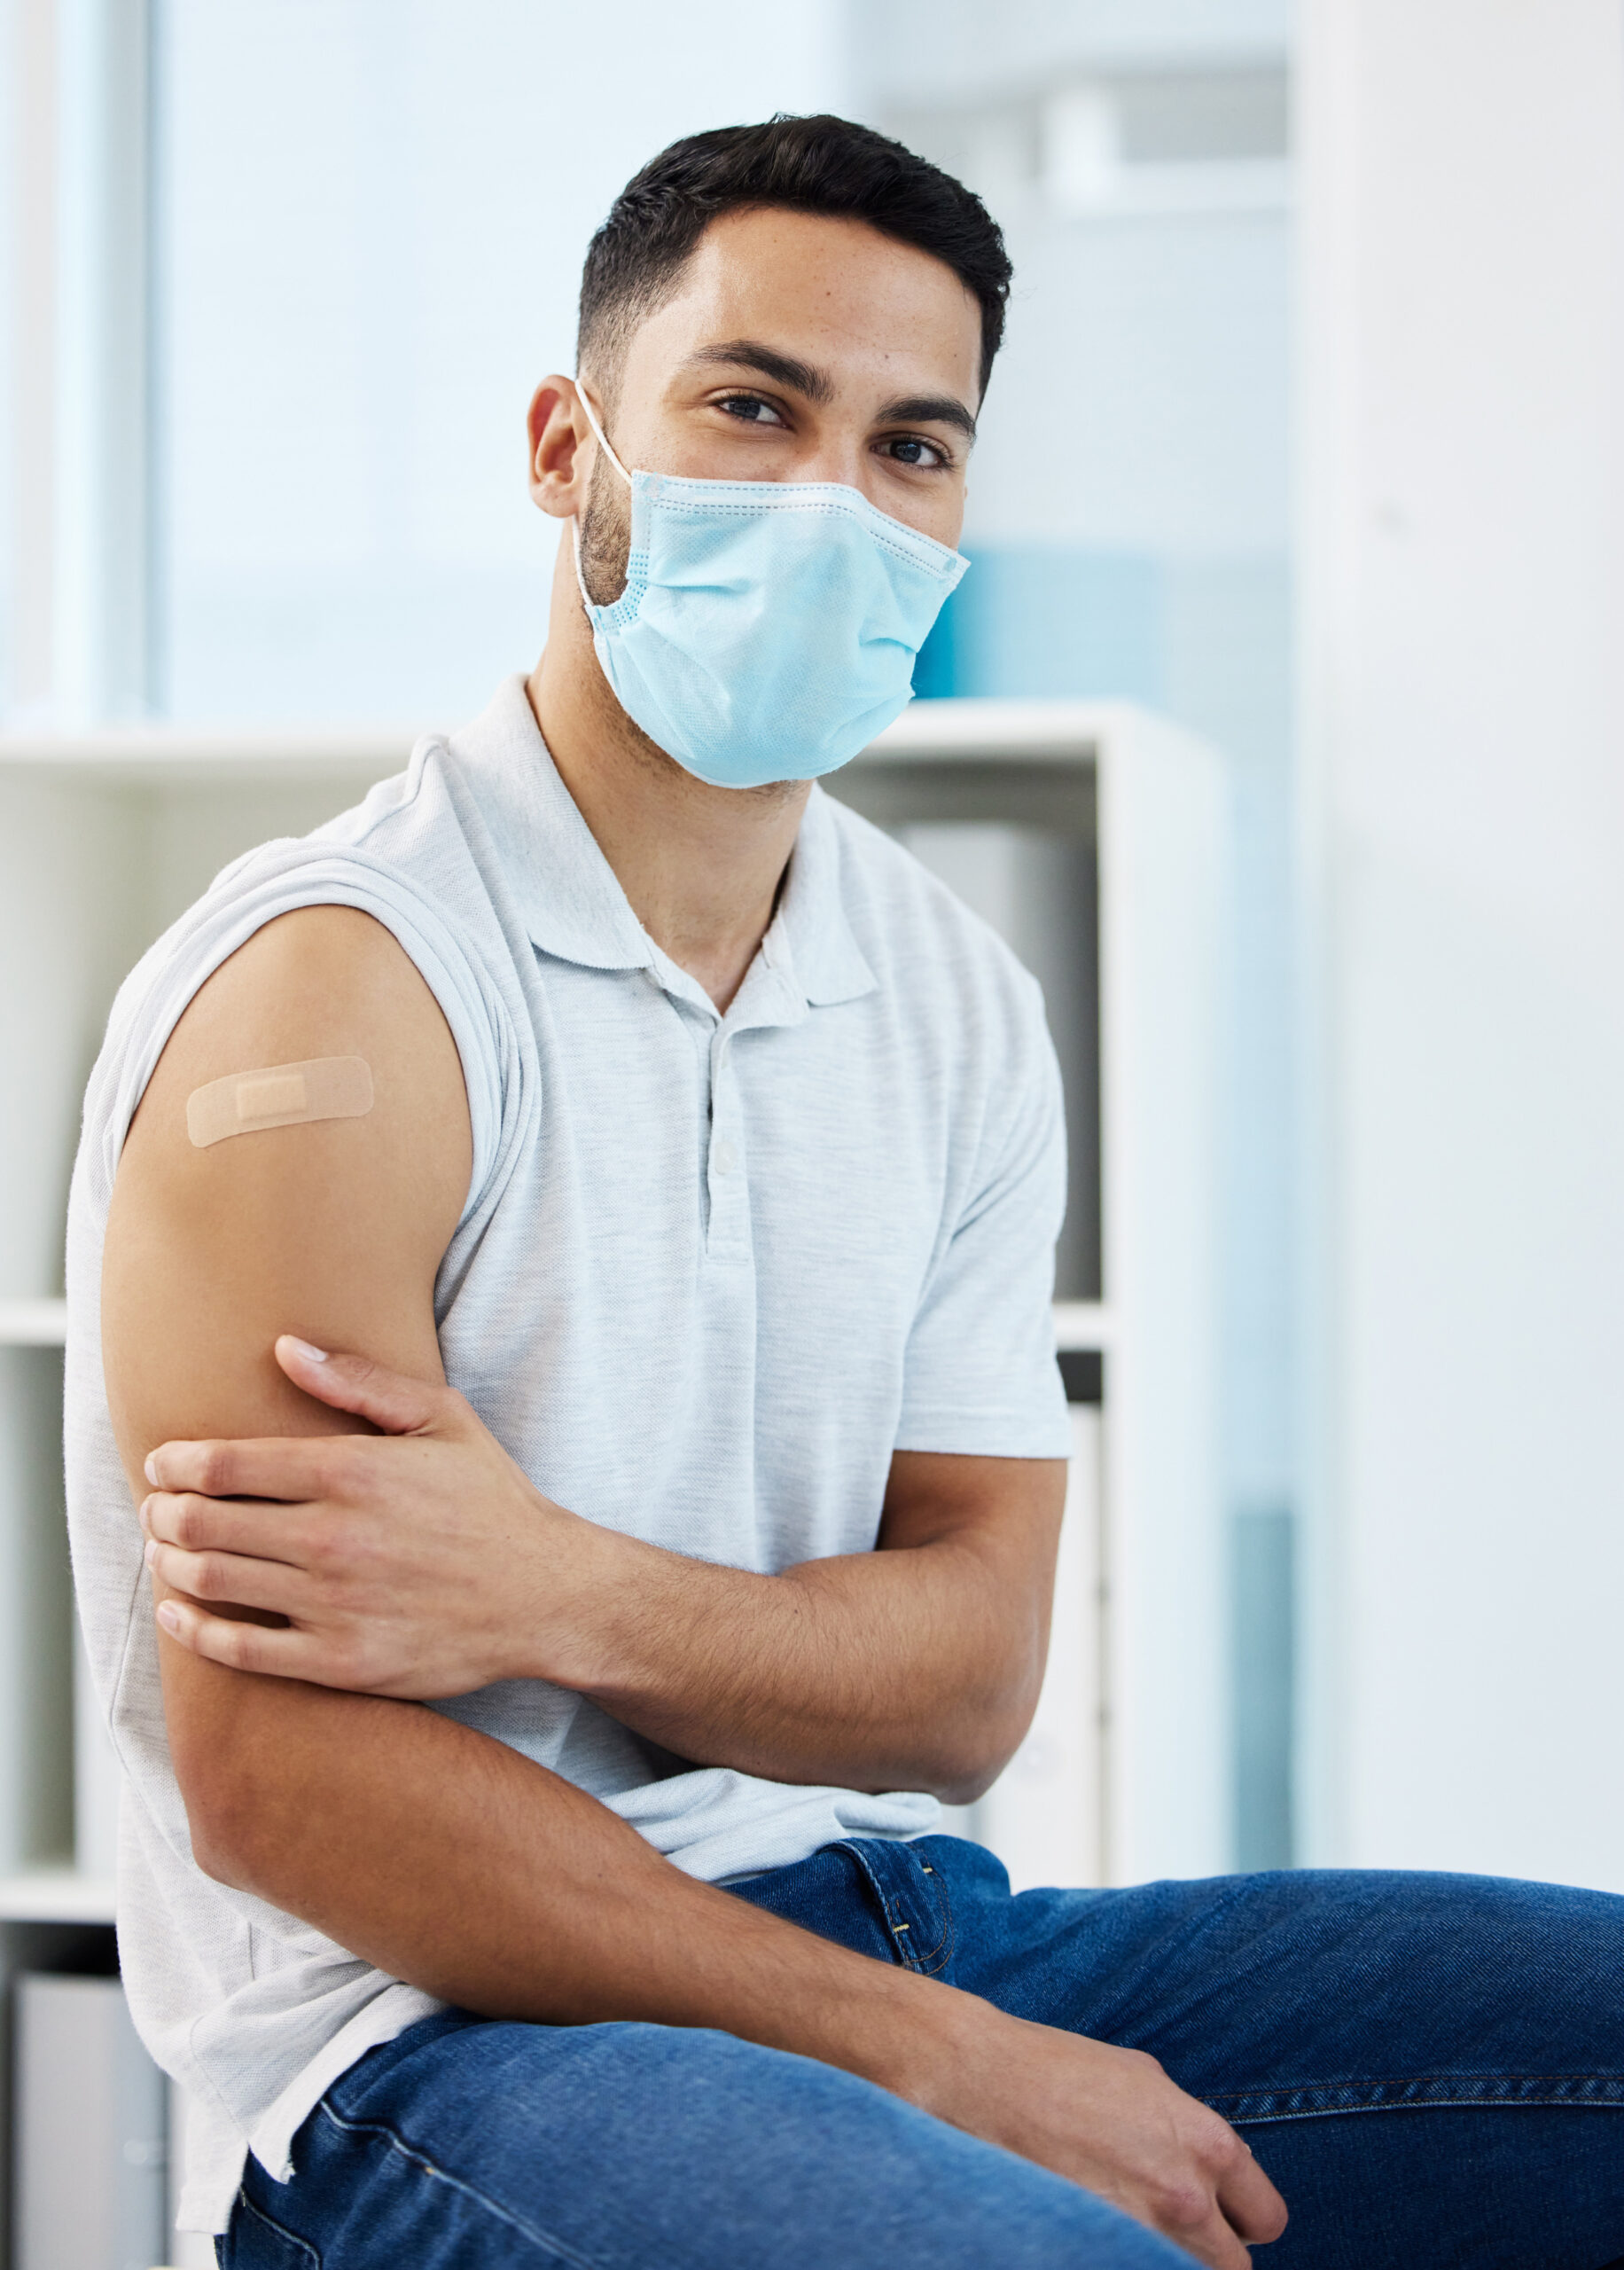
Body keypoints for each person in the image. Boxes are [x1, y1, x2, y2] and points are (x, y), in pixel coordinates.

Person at [69, 115, 1624, 2270]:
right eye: (751, 408)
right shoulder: (339, 994)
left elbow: (969, 1675)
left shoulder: (951, 1000)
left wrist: (549, 1591)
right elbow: (291, 1786)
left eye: (911, 447)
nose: (831, 503)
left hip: (893, 1912)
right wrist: (926, 2053)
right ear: (564, 443)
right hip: (430, 2043)